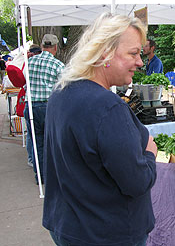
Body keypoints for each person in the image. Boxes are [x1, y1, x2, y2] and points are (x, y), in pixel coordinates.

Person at [43, 13, 157, 246]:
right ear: (104, 52)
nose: (140, 62)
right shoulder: (107, 107)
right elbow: (137, 182)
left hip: (69, 227)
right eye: (133, 53)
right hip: (108, 233)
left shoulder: (60, 92)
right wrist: (149, 155)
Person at [25, 34, 64, 183]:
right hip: (49, 106)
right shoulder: (58, 65)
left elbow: (24, 81)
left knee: (37, 143)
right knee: (52, 142)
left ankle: (40, 176)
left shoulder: (29, 62)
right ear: (55, 47)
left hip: (31, 105)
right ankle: (52, 176)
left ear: (42, 47)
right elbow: (63, 88)